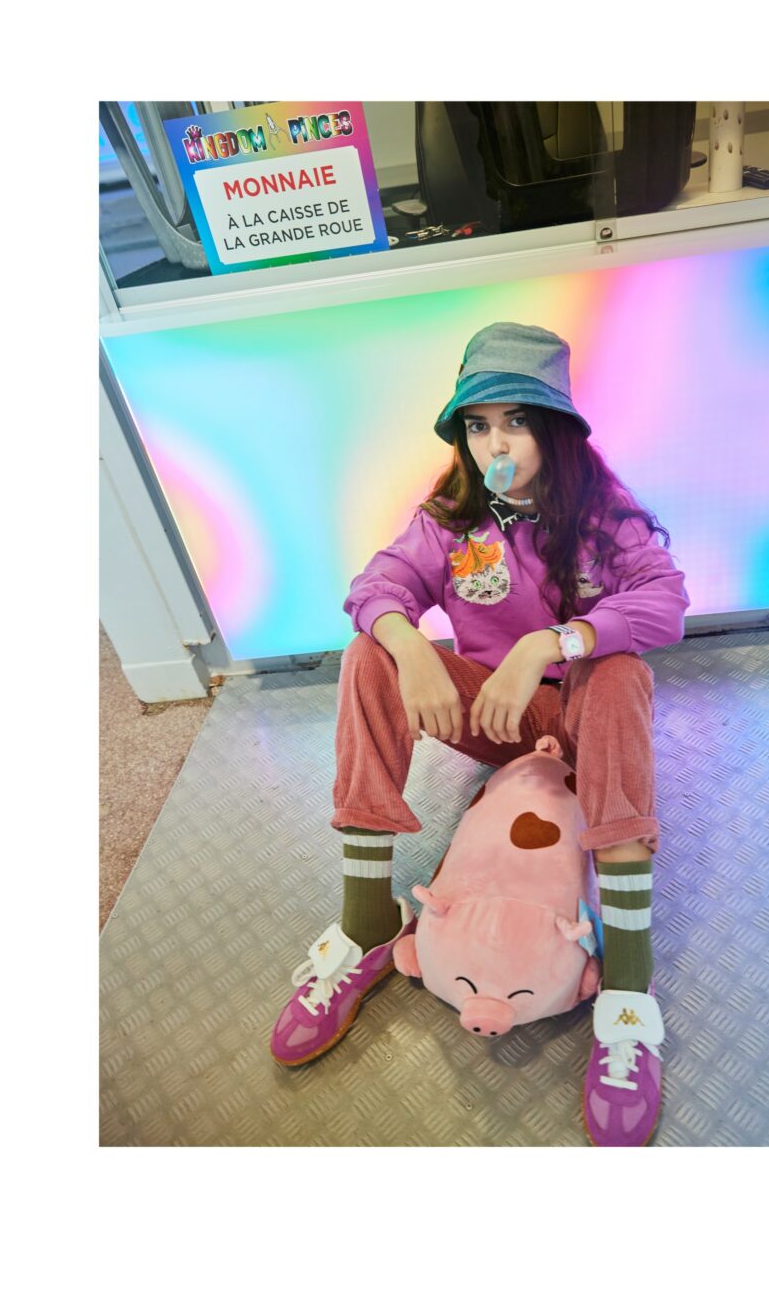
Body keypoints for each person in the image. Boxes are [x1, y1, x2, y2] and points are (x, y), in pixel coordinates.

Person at [266, 322, 688, 1147]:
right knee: (368, 654)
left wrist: (552, 640)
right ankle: (367, 925)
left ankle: (628, 990)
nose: (496, 440)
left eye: (516, 420)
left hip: (580, 710)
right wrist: (408, 642)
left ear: (554, 428)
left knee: (622, 674)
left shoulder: (603, 513)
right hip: (494, 721)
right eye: (478, 422)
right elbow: (377, 584)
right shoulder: (452, 516)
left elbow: (665, 602)